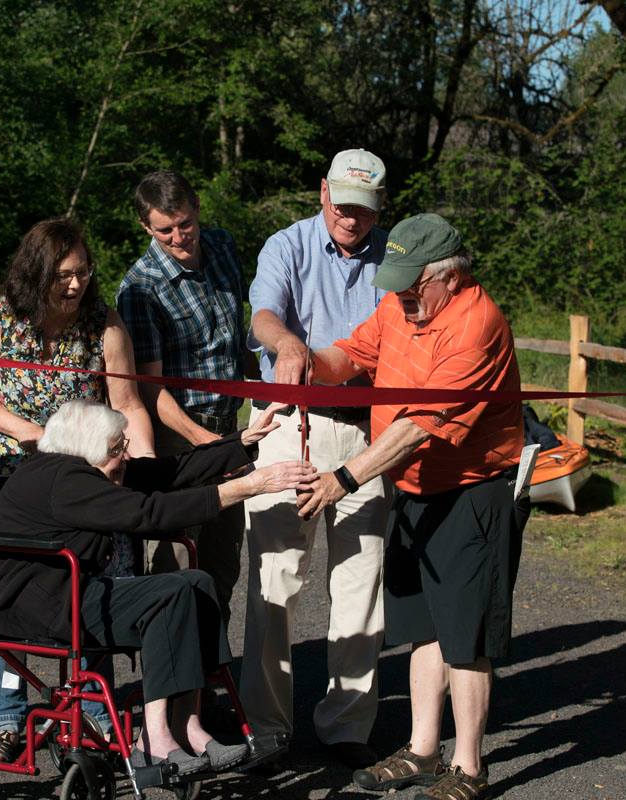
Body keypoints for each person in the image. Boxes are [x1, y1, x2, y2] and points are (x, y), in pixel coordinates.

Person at [297, 213, 528, 800]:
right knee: (425, 627)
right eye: (395, 280)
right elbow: (352, 354)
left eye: (410, 282)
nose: (399, 294)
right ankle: (424, 750)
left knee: (466, 637)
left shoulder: (475, 324)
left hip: (472, 490)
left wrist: (344, 478)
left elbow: (421, 425)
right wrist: (303, 366)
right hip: (415, 491)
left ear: (448, 278)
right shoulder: (403, 307)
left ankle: (470, 766)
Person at [0, 399, 317, 773]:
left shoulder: (83, 467)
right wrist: (249, 486)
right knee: (169, 593)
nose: (124, 456)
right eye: (117, 449)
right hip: (46, 607)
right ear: (88, 448)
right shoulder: (66, 480)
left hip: (72, 592)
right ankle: (152, 737)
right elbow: (148, 513)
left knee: (197, 583)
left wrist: (239, 442)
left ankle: (187, 722)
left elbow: (169, 471)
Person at [0, 216, 156, 761]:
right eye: (64, 274)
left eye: (83, 272)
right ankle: (11, 717)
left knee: (94, 582)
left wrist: (147, 472)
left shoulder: (103, 326)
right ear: (37, 272)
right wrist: (27, 431)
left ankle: (92, 706)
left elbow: (128, 404)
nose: (76, 284)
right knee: (9, 589)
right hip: (14, 475)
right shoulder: (1, 318)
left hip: (86, 482)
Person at [239, 148, 390, 768]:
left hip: (367, 431)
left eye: (364, 210)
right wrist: (285, 342)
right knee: (276, 576)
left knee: (361, 579)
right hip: (290, 425)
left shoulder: (393, 257)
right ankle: (268, 727)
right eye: (342, 205)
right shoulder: (288, 244)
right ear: (321, 192)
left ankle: (348, 725)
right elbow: (264, 313)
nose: (351, 219)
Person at [115, 170, 246, 627]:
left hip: (230, 423)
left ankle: (209, 671)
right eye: (165, 230)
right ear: (146, 228)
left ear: (196, 209)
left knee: (225, 557)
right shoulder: (140, 288)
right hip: (180, 431)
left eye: (185, 224)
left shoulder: (224, 247)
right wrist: (203, 440)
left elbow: (235, 340)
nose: (178, 237)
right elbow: (150, 388)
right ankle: (166, 672)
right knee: (177, 556)